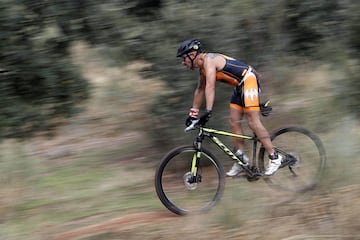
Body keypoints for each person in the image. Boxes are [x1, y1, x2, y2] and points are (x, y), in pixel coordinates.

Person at [176, 38, 282, 176]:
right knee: (233, 121)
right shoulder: (202, 69)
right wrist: (193, 114)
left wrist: (208, 111)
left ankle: (274, 157)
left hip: (249, 79)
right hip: (239, 86)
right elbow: (200, 90)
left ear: (192, 55)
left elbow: (210, 86)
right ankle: (241, 160)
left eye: (184, 58)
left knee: (252, 122)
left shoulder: (209, 61)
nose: (183, 62)